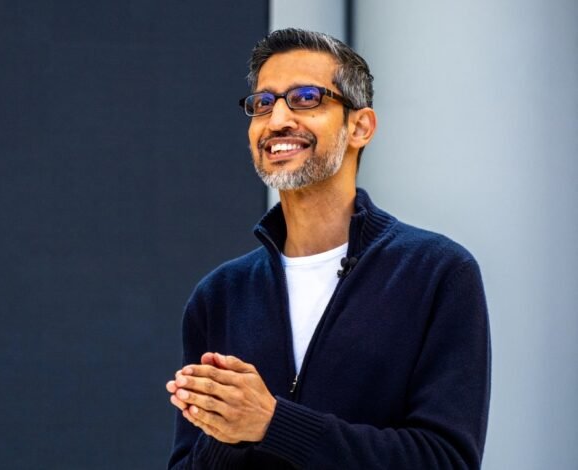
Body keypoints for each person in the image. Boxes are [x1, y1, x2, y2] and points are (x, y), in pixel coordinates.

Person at [165, 28, 491, 469]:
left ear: (360, 126)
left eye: (305, 98)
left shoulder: (436, 273)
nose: (277, 119)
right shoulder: (219, 296)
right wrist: (227, 431)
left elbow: (447, 461)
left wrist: (273, 423)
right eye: (263, 103)